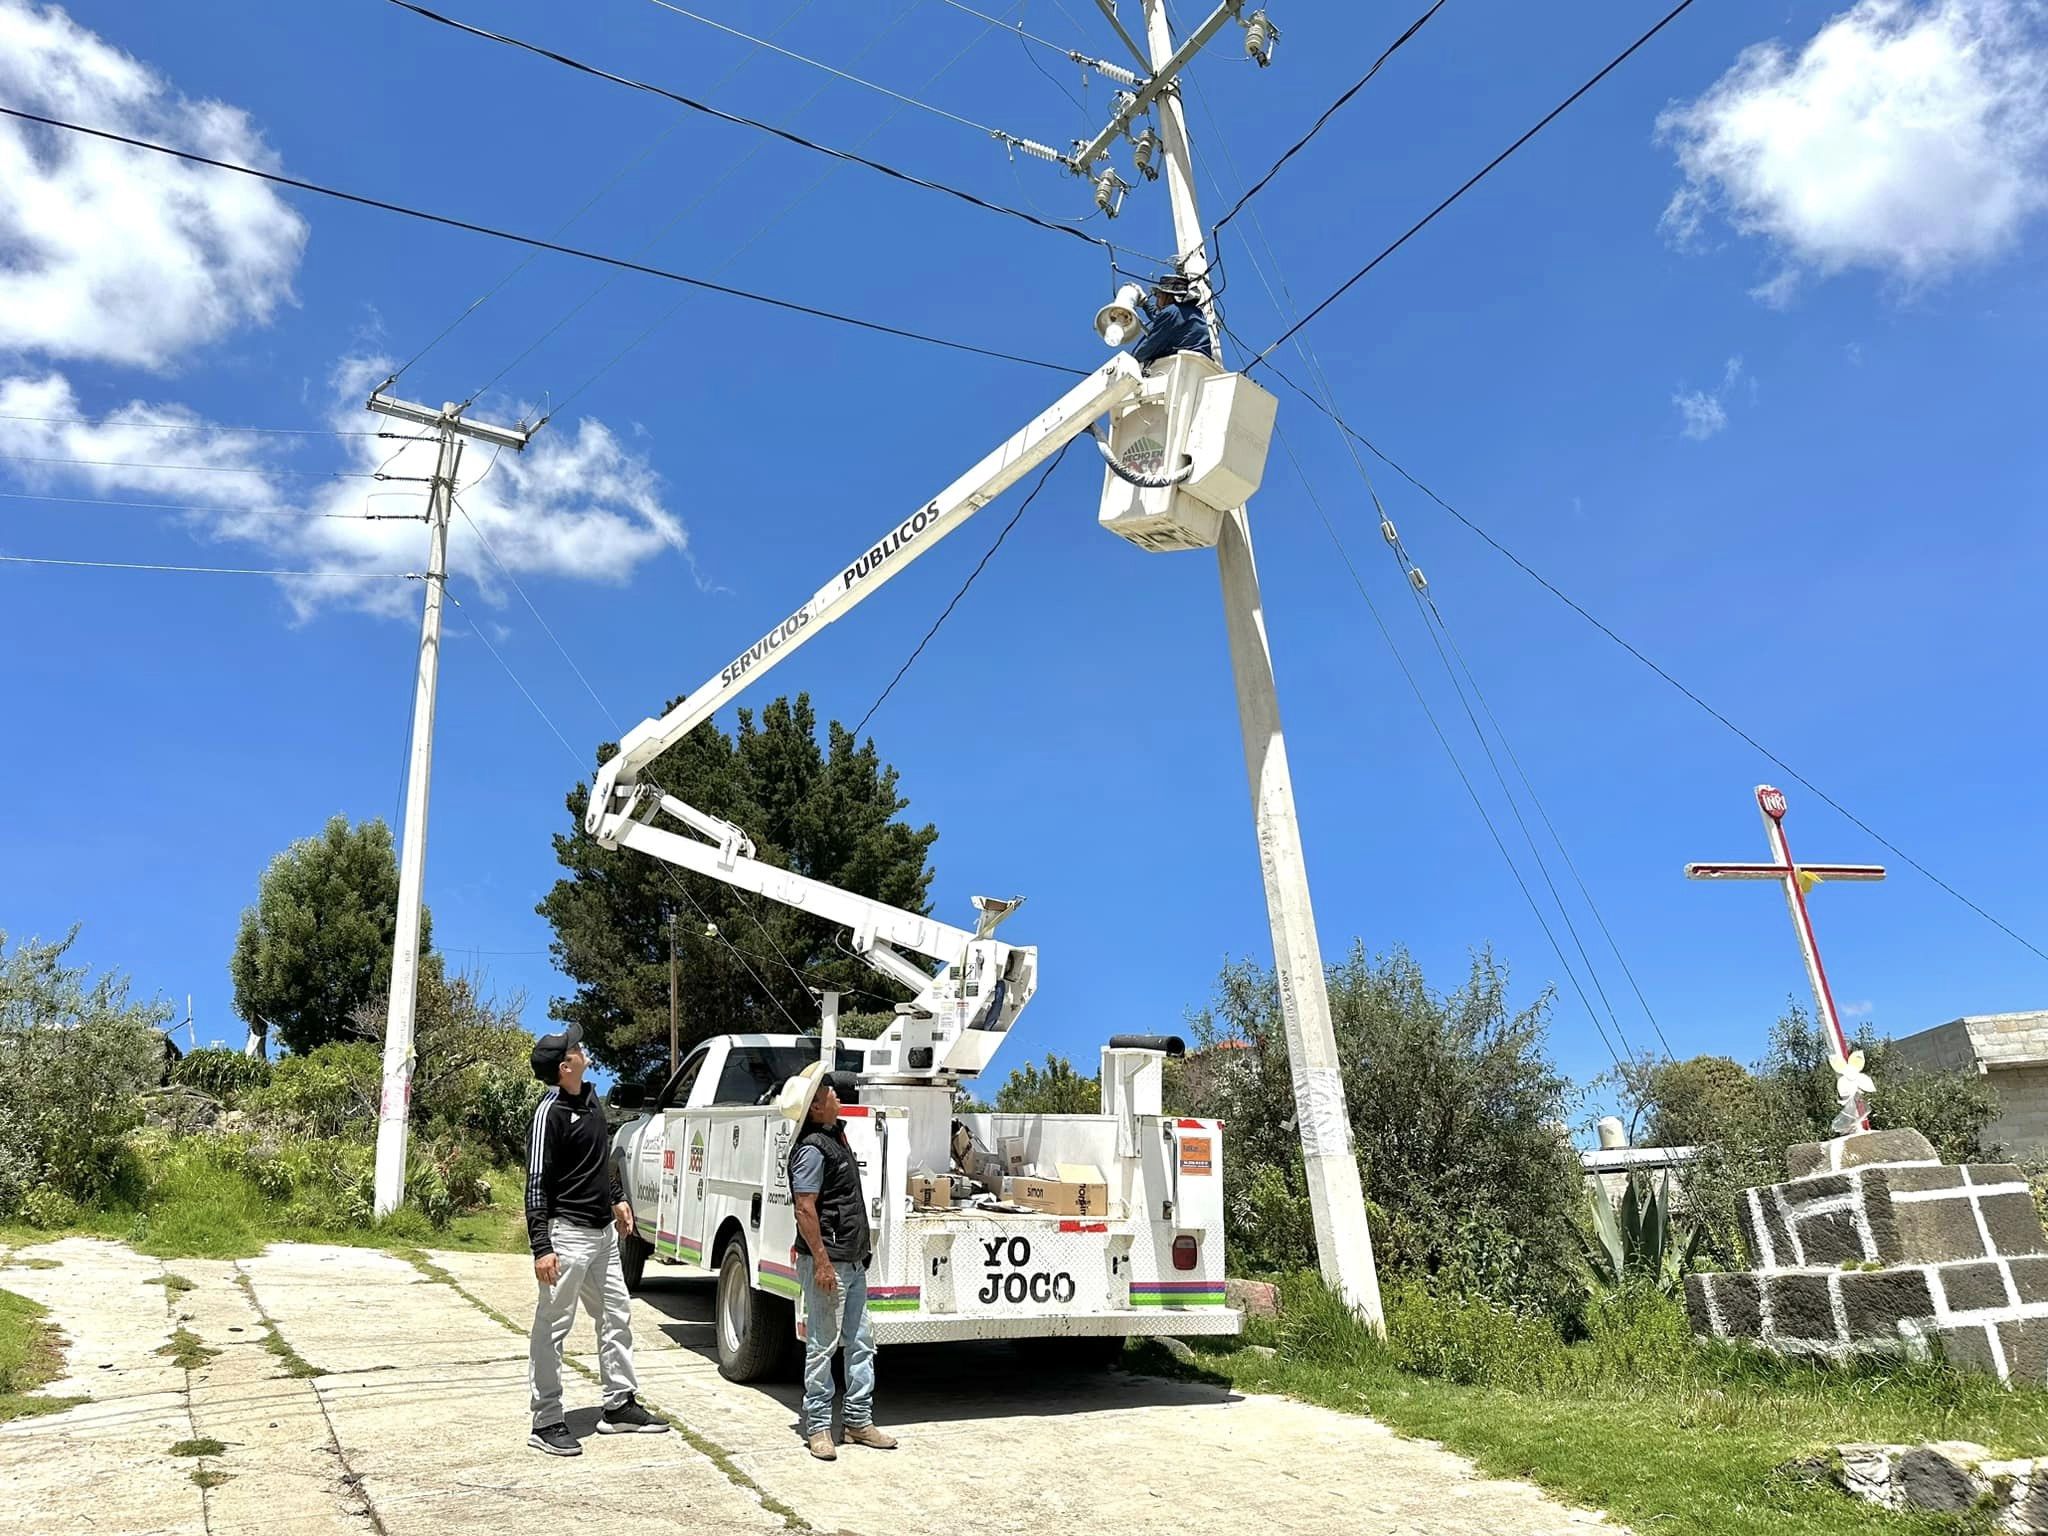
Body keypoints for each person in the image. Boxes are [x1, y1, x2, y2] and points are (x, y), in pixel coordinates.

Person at [524, 1024, 670, 1455]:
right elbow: (535, 1182)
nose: (584, 1049)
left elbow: (599, 1160)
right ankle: (547, 1419)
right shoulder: (548, 1112)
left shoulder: (591, 1100)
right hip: (565, 1235)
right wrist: (541, 1246)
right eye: (577, 1047)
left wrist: (618, 1199)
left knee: (616, 1315)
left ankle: (619, 1405)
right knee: (552, 1326)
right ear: (564, 1065)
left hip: (602, 1234)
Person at [779, 1061, 898, 1462]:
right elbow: (805, 1209)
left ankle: (857, 1421)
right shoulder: (812, 1149)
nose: (836, 1094)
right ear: (815, 1108)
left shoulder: (834, 1136)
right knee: (822, 1345)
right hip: (829, 1264)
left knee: (861, 1342)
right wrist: (823, 1263)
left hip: (851, 1259)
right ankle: (817, 1427)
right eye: (829, 1092)